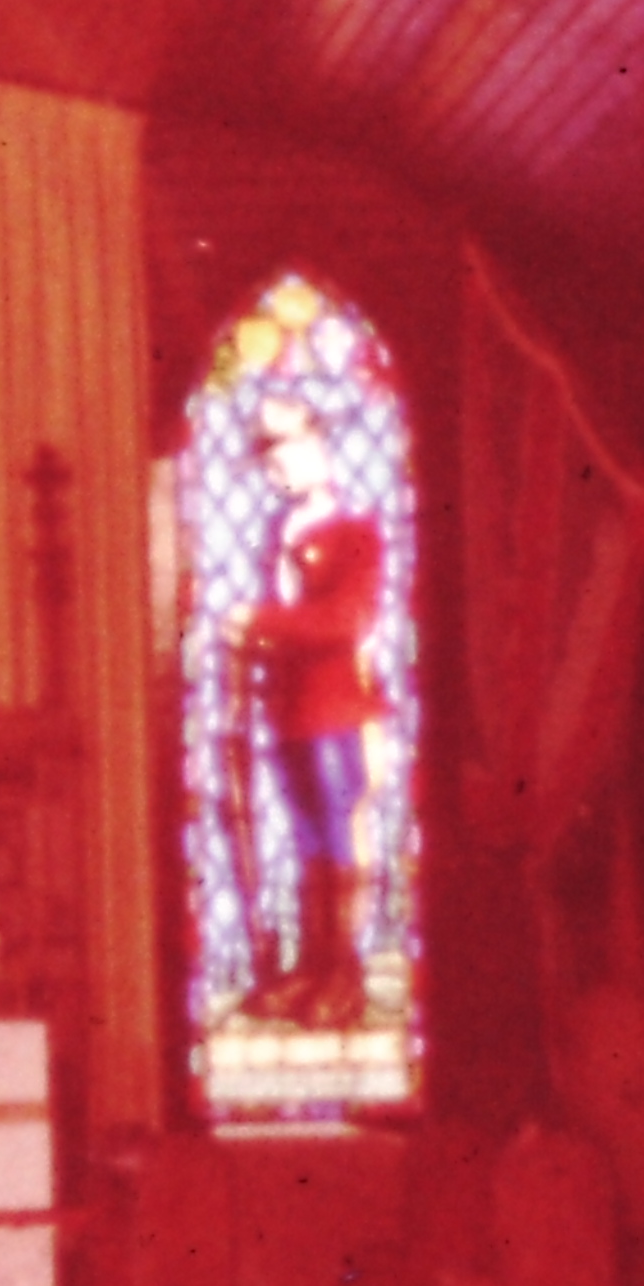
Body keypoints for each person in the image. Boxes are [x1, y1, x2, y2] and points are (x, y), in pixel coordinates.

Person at [241, 399, 382, 1027]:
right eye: (267, 453)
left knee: (337, 826)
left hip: (334, 708)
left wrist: (262, 623)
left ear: (321, 444)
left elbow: (344, 620)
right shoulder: (282, 533)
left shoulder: (355, 534)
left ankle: (344, 971)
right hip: (288, 709)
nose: (278, 464)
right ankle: (313, 965)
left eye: (288, 445)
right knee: (306, 836)